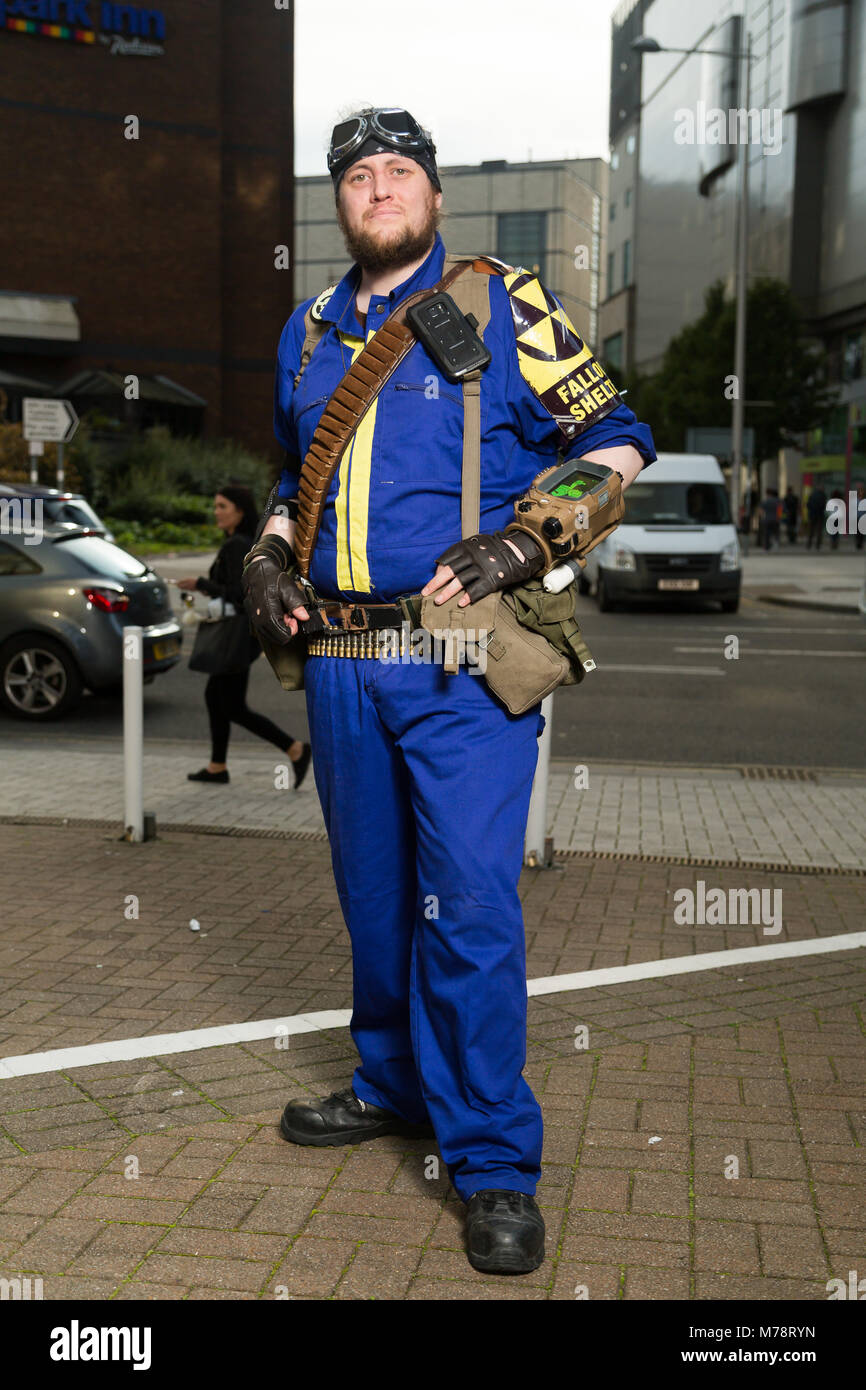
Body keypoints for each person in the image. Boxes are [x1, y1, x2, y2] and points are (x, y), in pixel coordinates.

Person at [242, 107, 656, 1275]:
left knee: (466, 907)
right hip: (339, 663)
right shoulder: (308, 329)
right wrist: (271, 549)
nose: (379, 187)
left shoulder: (503, 303)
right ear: (339, 200)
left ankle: (489, 1162)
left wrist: (531, 539)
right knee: (376, 900)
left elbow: (617, 436)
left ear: (432, 194)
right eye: (358, 174)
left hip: (462, 658)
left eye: (399, 171)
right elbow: (292, 471)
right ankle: (391, 1085)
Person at [178, 485, 310, 787]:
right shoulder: (237, 542)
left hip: (235, 637)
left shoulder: (237, 545)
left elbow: (241, 594)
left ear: (239, 510)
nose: (217, 512)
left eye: (222, 506)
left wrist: (201, 583)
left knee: (231, 704)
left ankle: (295, 749)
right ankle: (217, 766)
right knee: (217, 698)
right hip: (237, 636)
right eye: (215, 506)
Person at [806, 482, 827, 550]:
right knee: (819, 531)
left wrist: (811, 510)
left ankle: (809, 544)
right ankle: (817, 545)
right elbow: (823, 505)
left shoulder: (812, 495)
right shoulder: (823, 495)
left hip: (812, 515)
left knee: (811, 531)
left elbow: (808, 504)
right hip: (819, 515)